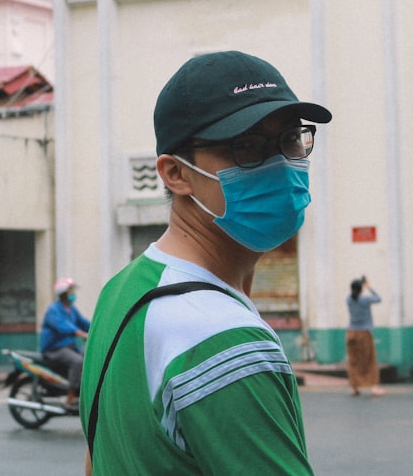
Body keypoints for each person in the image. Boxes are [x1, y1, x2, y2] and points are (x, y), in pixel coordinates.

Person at [81, 51, 330, 475]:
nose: (280, 165)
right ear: (175, 173)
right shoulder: (225, 339)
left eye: (289, 139)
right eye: (247, 146)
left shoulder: (121, 292)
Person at [41, 277, 91, 410]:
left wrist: (97, 328)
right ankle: (71, 396)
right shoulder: (53, 309)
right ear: (63, 294)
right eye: (70, 292)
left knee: (89, 358)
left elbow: (84, 323)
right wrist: (79, 333)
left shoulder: (72, 309)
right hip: (54, 349)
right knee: (77, 361)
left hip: (69, 346)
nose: (73, 294)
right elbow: (62, 325)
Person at [346, 276, 385, 396]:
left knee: (354, 361)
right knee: (369, 360)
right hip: (364, 333)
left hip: (351, 333)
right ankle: (374, 387)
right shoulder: (365, 300)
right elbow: (378, 298)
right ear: (361, 289)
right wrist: (369, 287)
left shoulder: (348, 299)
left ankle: (354, 387)